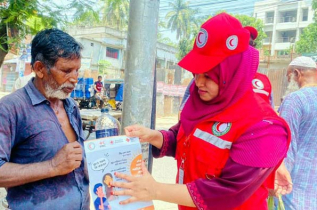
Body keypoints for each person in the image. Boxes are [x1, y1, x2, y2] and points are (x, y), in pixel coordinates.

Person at [111, 13, 290, 210]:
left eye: (209, 75)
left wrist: (154, 190)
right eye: (196, 73)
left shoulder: (263, 127)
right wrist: (154, 136)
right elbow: (184, 139)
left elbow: (228, 193)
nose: (198, 82)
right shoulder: (204, 104)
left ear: (233, 74)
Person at [0, 29, 90, 209]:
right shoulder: (11, 108)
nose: (74, 79)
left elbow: (77, 162)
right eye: (66, 70)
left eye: (77, 70)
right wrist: (52, 166)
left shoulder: (71, 106)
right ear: (40, 69)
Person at [276, 56, 317, 210]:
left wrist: (277, 182)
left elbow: (286, 146)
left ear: (297, 74)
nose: (288, 82)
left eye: (288, 76)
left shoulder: (295, 100)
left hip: (294, 191)